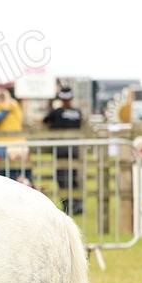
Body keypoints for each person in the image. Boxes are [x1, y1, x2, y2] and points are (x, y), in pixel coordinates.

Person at [42, 86, 84, 215]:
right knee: (73, 177)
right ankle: (77, 204)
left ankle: (67, 205)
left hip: (60, 148)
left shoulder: (57, 112)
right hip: (74, 148)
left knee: (62, 177)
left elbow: (45, 121)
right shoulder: (77, 112)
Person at [0, 88, 31, 184]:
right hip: (20, 144)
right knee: (21, 172)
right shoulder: (15, 106)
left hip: (1, 144)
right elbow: (22, 119)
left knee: (2, 175)